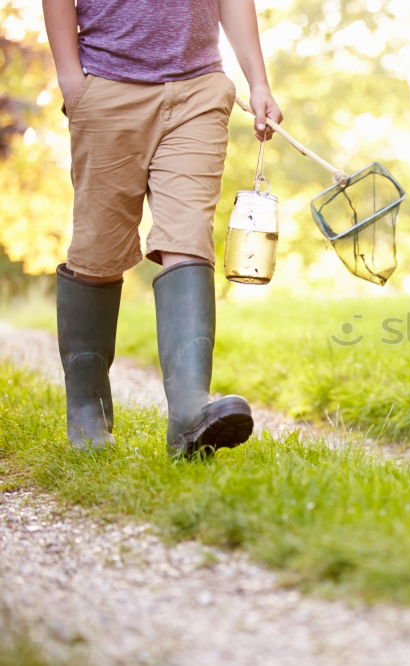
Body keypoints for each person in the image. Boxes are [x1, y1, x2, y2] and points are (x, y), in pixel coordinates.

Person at [41, 0, 282, 458]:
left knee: (188, 236)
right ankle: (88, 412)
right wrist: (72, 82)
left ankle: (190, 414)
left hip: (200, 91)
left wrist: (259, 83)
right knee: (98, 251)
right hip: (106, 89)